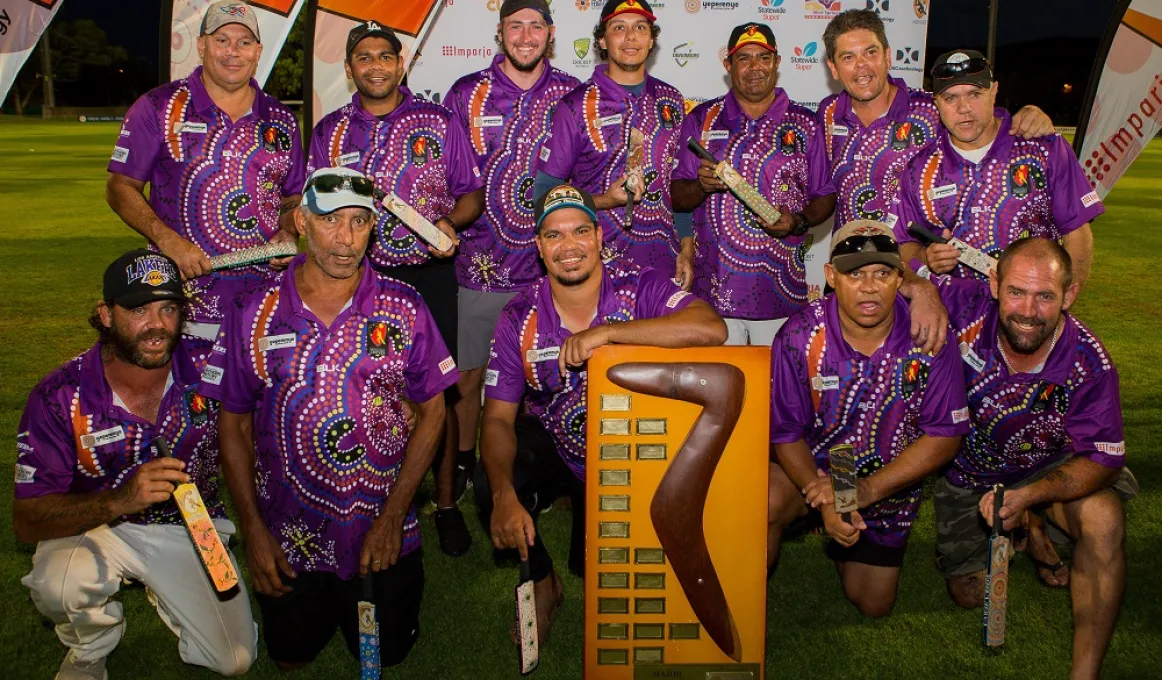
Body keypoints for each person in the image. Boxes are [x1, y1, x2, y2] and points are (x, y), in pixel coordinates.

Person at [201, 168, 458, 671]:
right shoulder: (254, 310)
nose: (346, 240)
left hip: (382, 535)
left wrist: (392, 517)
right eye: (330, 221)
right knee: (291, 655)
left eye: (360, 222)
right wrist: (253, 531)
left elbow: (434, 412)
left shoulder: (403, 306)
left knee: (389, 655)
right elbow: (230, 423)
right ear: (300, 221)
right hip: (289, 537)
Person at [478, 184, 727, 639]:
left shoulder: (638, 283)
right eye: (553, 236)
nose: (567, 247)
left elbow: (711, 328)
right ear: (538, 246)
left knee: (600, 573)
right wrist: (501, 496)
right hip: (560, 445)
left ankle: (582, 512)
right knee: (494, 476)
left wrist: (609, 335)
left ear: (598, 237)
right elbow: (496, 418)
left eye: (578, 232)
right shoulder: (519, 316)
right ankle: (541, 577)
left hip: (630, 454)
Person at [15, 250, 255, 680]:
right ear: (106, 315)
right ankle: (90, 647)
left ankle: (166, 586)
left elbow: (273, 402)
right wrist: (119, 500)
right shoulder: (59, 394)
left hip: (191, 524)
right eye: (138, 309)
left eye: (168, 308)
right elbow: (27, 521)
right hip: (96, 525)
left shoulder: (209, 366)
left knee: (234, 659)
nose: (157, 324)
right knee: (59, 584)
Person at [306, 21, 485, 556]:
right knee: (359, 390)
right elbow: (314, 209)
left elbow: (471, 192)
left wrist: (451, 224)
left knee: (439, 393)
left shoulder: (437, 119)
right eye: (365, 57)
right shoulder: (331, 132)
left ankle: (447, 504)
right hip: (358, 277)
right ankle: (367, 496)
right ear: (350, 67)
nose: (376, 65)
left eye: (386, 56)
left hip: (428, 276)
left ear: (400, 64)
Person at [927, 237, 1136, 679]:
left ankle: (1085, 672)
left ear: (1069, 295)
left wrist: (1029, 495)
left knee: (1103, 519)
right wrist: (922, 289)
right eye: (1017, 291)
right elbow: (889, 278)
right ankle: (1034, 529)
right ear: (995, 283)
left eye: (1045, 297)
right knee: (969, 593)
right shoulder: (961, 306)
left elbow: (1103, 459)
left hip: (1048, 468)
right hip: (971, 473)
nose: (1027, 310)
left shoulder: (1088, 362)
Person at [768, 220, 969, 617]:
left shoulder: (929, 334)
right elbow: (786, 433)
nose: (869, 286)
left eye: (881, 273)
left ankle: (847, 530)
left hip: (885, 483)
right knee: (767, 499)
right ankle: (749, 595)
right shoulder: (798, 336)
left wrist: (867, 490)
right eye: (854, 273)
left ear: (899, 278)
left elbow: (945, 435)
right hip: (815, 473)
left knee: (873, 604)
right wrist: (822, 492)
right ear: (831, 276)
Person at [441, 0, 582, 553]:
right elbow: (449, 176)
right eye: (515, 26)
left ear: (551, 34)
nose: (526, 36)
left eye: (536, 26)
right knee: (470, 381)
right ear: (500, 32)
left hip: (555, 269)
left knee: (553, 375)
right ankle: (464, 479)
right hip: (479, 264)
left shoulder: (574, 92)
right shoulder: (464, 92)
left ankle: (554, 479)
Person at [106, 0, 305, 343]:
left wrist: (289, 232)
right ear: (201, 45)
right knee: (185, 395)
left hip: (263, 300)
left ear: (257, 51)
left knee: (256, 394)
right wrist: (168, 241)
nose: (233, 52)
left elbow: (292, 195)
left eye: (244, 42)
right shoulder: (158, 106)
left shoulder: (282, 120)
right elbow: (119, 187)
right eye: (221, 40)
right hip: (182, 298)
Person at [672, 22, 836, 346]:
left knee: (777, 389)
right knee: (721, 390)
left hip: (781, 295)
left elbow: (825, 195)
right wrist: (701, 187)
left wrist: (797, 221)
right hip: (714, 293)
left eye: (763, 57)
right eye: (743, 59)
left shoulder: (806, 123)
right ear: (728, 66)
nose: (754, 68)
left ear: (776, 62)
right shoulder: (703, 119)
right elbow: (677, 196)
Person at [817, 10, 1055, 230]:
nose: (862, 65)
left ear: (888, 57)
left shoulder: (931, 109)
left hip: (915, 265)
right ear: (834, 68)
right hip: (849, 263)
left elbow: (982, 121)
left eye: (871, 52)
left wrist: (1028, 114)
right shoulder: (828, 112)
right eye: (848, 57)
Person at [891, 50, 1101, 290]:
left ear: (994, 92)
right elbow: (904, 242)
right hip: (955, 316)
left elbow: (1077, 234)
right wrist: (926, 259)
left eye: (974, 94)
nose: (963, 108)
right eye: (950, 98)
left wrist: (1062, 299)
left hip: (1029, 315)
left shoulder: (1043, 148)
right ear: (936, 103)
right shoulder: (919, 168)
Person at [533, 0, 685, 277]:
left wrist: (685, 248)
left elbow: (678, 185)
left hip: (664, 266)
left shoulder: (671, 99)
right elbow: (544, 195)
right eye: (619, 28)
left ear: (651, 40)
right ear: (602, 40)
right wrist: (605, 200)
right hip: (597, 268)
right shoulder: (575, 106)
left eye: (640, 27)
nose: (630, 37)